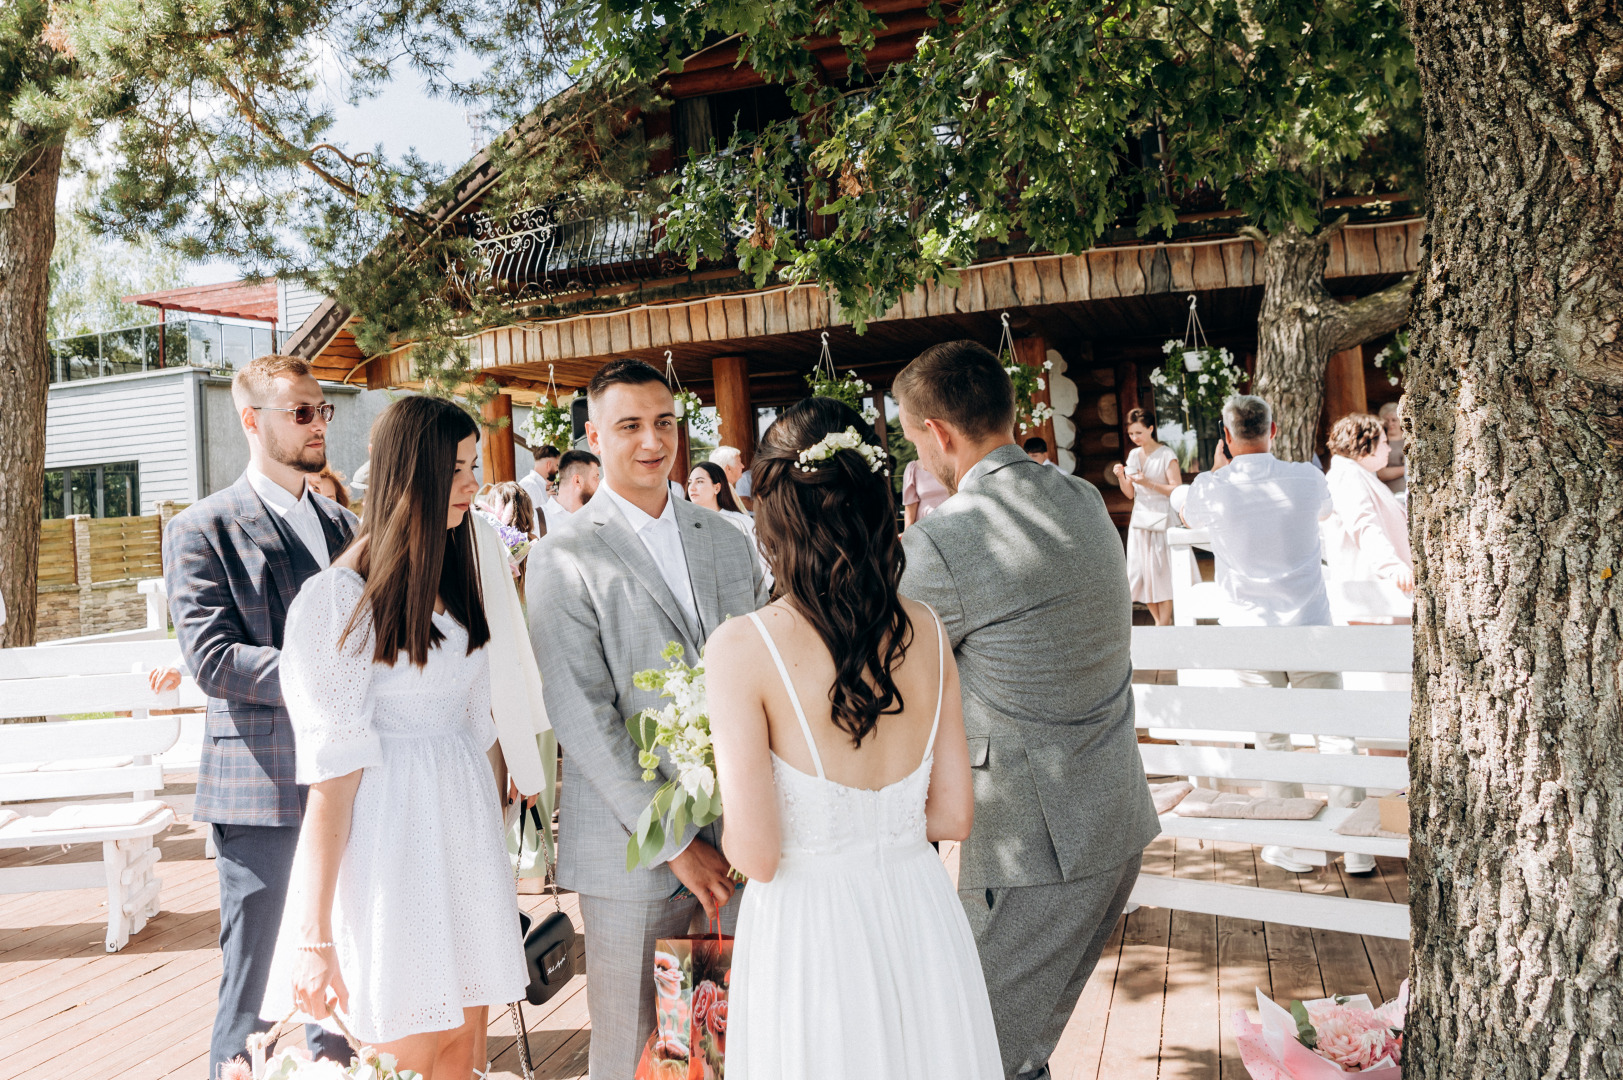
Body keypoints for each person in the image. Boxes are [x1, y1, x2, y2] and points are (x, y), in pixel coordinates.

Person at [705, 397, 1002, 1079]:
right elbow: (953, 814)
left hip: (811, 934)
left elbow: (757, 853)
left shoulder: (742, 646)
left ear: (771, 517)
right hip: (920, 912)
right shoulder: (924, 629)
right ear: (875, 503)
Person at [893, 341, 1159, 1080]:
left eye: (913, 437)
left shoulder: (945, 541)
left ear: (938, 433)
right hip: (1111, 815)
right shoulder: (1076, 496)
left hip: (1036, 841)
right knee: (1018, 1046)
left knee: (973, 1050)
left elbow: (872, 660)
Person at [257, 395, 532, 1075]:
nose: (472, 485)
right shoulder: (338, 602)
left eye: (473, 466)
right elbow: (331, 782)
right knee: (408, 1054)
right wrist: (313, 937)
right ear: (412, 475)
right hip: (391, 851)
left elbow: (477, 729)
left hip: (463, 841)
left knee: (465, 1052)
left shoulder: (455, 577)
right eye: (457, 469)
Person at [527, 359, 769, 1080]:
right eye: (629, 425)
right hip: (633, 854)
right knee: (635, 1048)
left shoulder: (727, 537)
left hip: (742, 838)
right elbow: (581, 713)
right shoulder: (560, 555)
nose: (651, 441)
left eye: (663, 423)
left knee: (724, 1041)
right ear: (594, 438)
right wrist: (674, 841)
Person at [162, 354, 357, 1076]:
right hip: (262, 790)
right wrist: (328, 674)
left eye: (321, 410)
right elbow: (213, 659)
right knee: (254, 990)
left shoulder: (345, 523)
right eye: (301, 412)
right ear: (252, 421)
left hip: (350, 779)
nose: (317, 424)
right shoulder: (202, 528)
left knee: (342, 981)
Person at [1180, 394, 1373, 875]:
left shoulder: (1211, 487)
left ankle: (1298, 846)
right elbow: (1324, 513)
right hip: (1310, 629)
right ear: (1274, 430)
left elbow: (1186, 512)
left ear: (1226, 436)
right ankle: (1356, 848)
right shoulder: (1307, 477)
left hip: (1252, 637)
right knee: (1335, 737)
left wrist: (1218, 471)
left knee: (1273, 740)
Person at [1324, 412, 1415, 613]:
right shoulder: (1347, 475)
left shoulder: (1358, 474)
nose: (1389, 449)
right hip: (1371, 596)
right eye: (1384, 442)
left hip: (1379, 596)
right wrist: (1392, 566)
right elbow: (1364, 524)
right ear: (1367, 445)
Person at [1111, 408, 1184, 626]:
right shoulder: (1133, 455)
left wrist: (1148, 483)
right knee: (1141, 571)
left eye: (1139, 433)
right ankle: (1160, 622)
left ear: (1151, 429)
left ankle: (1164, 623)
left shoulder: (1166, 455)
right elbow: (1130, 493)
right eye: (1131, 434)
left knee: (1162, 570)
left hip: (1162, 516)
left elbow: (1177, 489)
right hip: (1140, 518)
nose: (1135, 438)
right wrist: (1121, 477)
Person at [688, 459, 772, 589]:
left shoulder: (740, 522)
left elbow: (761, 563)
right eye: (690, 482)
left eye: (699, 481)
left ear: (717, 487)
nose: (692, 487)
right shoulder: (684, 523)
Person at [540, 449, 601, 535]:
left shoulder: (597, 519)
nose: (599, 483)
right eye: (595, 477)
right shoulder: (536, 520)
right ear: (577, 481)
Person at [519, 443, 563, 530]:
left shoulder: (538, 485)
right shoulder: (530, 485)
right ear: (548, 465)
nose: (557, 470)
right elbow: (532, 519)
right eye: (556, 465)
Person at [900, 458, 949, 528]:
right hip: (926, 522)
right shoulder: (913, 468)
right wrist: (907, 532)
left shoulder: (952, 461)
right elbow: (910, 506)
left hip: (952, 518)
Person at [1376, 401, 1407, 498]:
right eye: (1387, 421)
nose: (1390, 424)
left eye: (1394, 420)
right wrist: (1406, 469)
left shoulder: (1409, 439)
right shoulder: (1380, 442)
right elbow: (1381, 473)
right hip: (1391, 494)